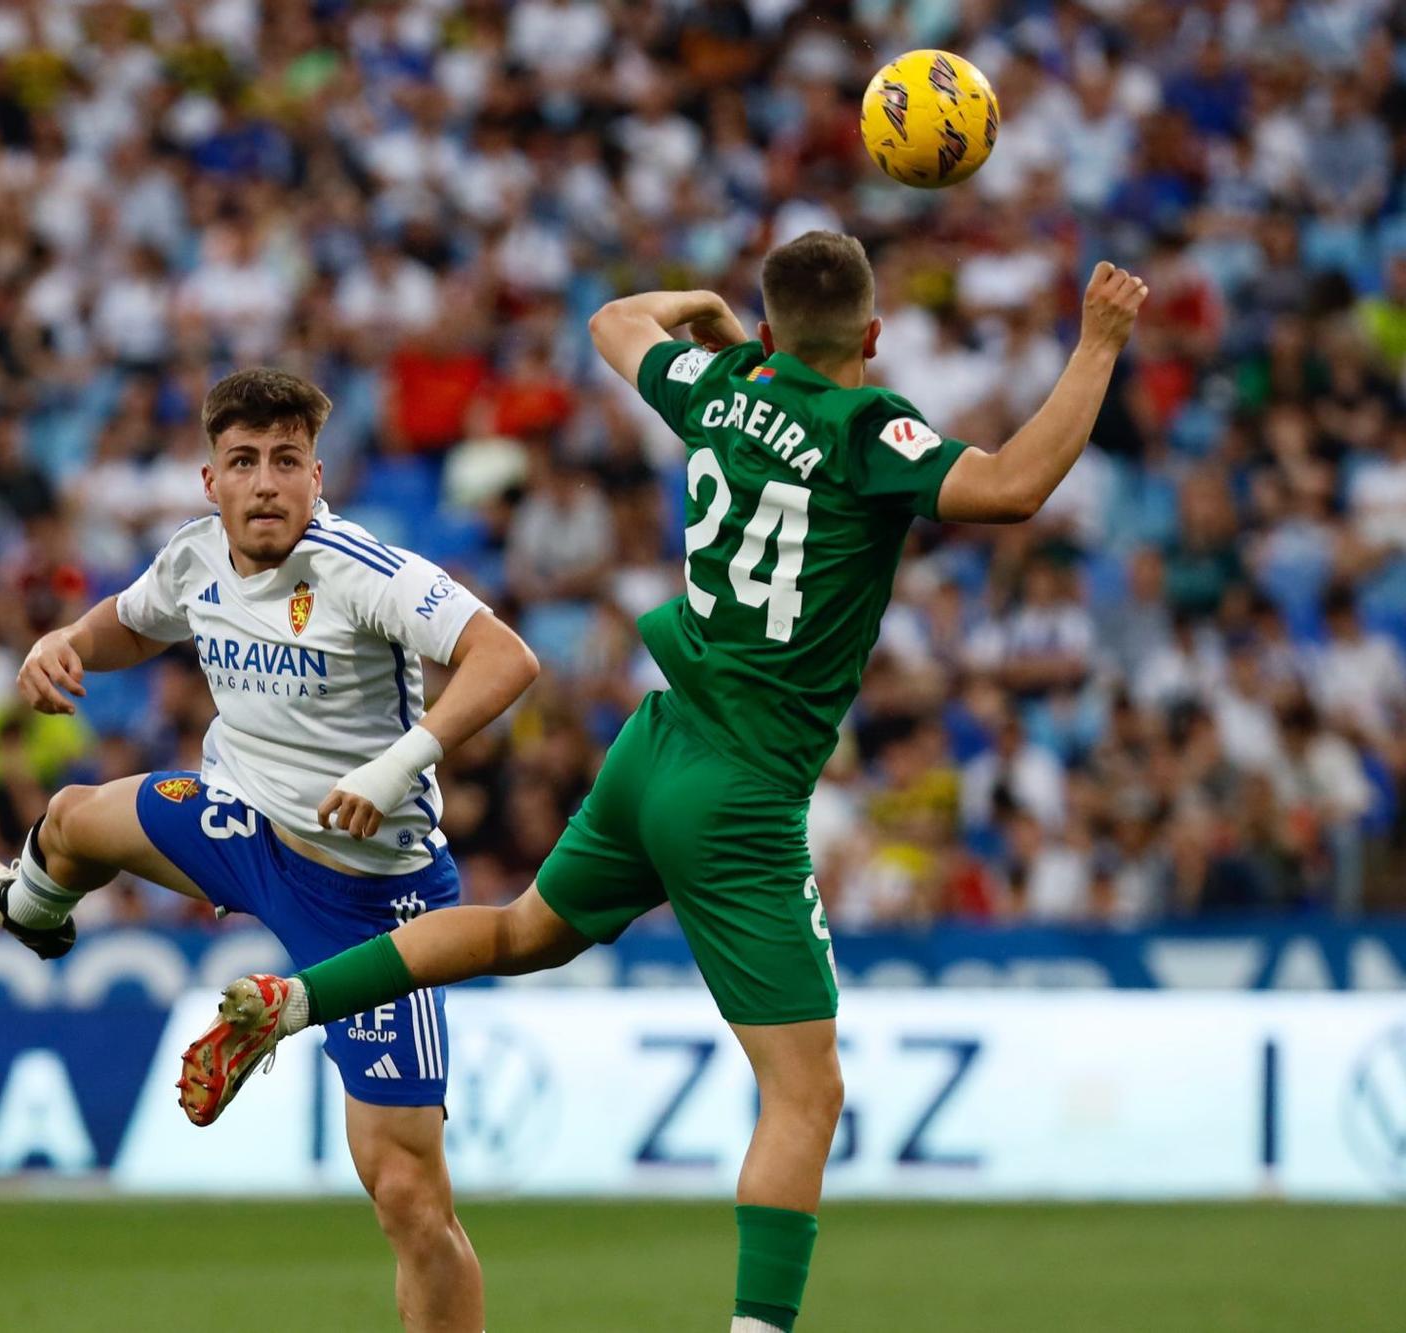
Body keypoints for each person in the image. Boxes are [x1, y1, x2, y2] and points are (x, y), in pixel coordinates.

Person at [180, 234, 1148, 1333]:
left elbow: (612, 323)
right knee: (804, 1089)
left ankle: (292, 999)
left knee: (512, 933)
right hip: (741, 791)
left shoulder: (721, 385)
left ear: (771, 333)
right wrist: (1098, 343)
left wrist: (717, 318)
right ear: (871, 339)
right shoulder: (870, 430)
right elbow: (1012, 487)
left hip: (654, 742)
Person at [0, 368, 540, 1333]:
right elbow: (129, 621)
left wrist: (395, 767)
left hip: (371, 895)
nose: (265, 482)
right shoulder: (195, 555)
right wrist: (62, 641)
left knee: (408, 1196)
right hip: (243, 825)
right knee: (75, 817)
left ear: (315, 476)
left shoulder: (362, 568)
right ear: (211, 481)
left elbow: (507, 656)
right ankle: (29, 910)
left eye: (286, 460)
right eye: (242, 461)